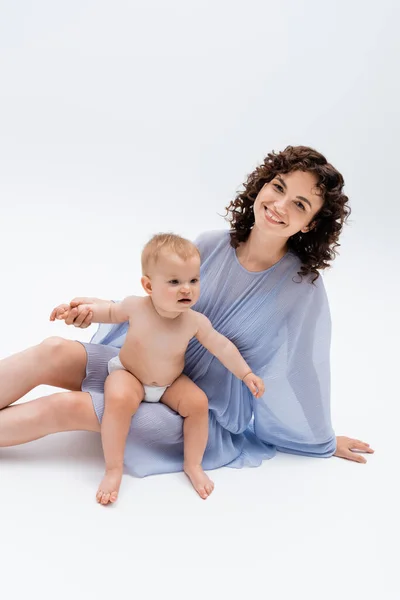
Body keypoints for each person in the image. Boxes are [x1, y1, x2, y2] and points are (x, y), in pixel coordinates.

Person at [0, 145, 374, 497]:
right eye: (278, 187)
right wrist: (99, 306)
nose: (279, 205)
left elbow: (302, 370)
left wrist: (321, 439)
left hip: (195, 409)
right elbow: (161, 301)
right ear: (263, 185)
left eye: (300, 203)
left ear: (309, 224)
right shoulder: (211, 244)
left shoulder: (300, 288)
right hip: (144, 367)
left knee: (65, 407)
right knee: (51, 351)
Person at [50, 233, 264, 503]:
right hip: (129, 374)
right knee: (118, 399)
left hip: (169, 384)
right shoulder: (136, 307)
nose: (186, 289)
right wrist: (75, 309)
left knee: (197, 403)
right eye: (174, 282)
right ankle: (114, 468)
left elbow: (221, 346)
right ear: (148, 285)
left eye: (193, 280)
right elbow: (106, 310)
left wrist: (246, 373)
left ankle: (193, 465)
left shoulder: (194, 321)